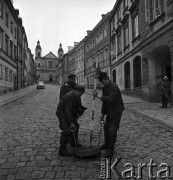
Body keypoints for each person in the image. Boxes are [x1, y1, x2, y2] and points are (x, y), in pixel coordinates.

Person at [93, 72, 125, 158]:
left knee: (112, 130)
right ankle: (106, 144)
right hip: (109, 112)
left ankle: (110, 149)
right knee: (106, 127)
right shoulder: (105, 88)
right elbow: (105, 102)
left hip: (116, 111)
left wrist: (98, 96)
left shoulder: (113, 86)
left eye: (102, 81)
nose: (102, 83)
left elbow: (111, 99)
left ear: (106, 79)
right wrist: (102, 114)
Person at [56, 85, 86, 156]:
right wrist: (71, 122)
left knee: (76, 126)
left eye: (82, 94)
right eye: (80, 94)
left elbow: (78, 105)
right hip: (62, 113)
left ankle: (74, 142)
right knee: (66, 130)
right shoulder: (69, 96)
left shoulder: (77, 96)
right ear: (76, 91)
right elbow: (68, 111)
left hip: (70, 112)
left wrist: (81, 110)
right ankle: (62, 150)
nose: (81, 95)